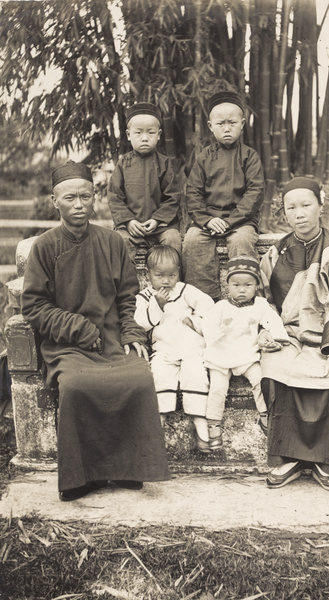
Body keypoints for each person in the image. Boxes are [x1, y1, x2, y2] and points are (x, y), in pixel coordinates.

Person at [21, 161, 170, 501]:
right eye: (70, 198)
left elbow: (127, 297)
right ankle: (81, 477)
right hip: (67, 345)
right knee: (75, 385)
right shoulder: (44, 247)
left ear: (94, 199)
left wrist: (132, 334)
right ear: (55, 200)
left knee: (138, 378)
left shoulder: (112, 242)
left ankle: (128, 469)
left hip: (112, 339)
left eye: (85, 197)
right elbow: (34, 306)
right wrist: (78, 327)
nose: (78, 205)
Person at [259, 177, 329, 491]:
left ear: (321, 206)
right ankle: (292, 458)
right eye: (291, 208)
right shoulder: (276, 252)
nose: (299, 213)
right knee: (275, 367)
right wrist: (266, 331)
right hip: (290, 334)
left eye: (306, 205)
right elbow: (264, 301)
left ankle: (327, 458)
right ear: (284, 213)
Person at [182, 91, 264, 300]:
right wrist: (207, 220)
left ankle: (247, 299)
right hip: (208, 220)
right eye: (220, 123)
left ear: (242, 124)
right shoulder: (204, 158)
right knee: (192, 240)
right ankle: (205, 300)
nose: (227, 128)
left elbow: (255, 192)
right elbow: (193, 192)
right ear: (210, 126)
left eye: (232, 122)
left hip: (241, 221)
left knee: (242, 240)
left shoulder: (249, 156)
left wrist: (231, 221)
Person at [202, 256, 290, 449]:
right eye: (236, 285)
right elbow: (207, 325)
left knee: (260, 380)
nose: (242, 290)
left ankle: (265, 415)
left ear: (256, 285)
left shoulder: (260, 305)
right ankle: (213, 424)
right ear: (227, 285)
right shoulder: (220, 307)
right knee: (217, 388)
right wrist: (218, 332)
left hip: (247, 354)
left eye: (248, 285)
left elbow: (272, 321)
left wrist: (275, 337)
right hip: (221, 354)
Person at [134, 245, 214, 453]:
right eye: (159, 275)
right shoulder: (144, 297)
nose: (167, 281)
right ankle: (157, 428)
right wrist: (157, 305)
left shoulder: (185, 291)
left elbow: (208, 304)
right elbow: (141, 323)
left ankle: (201, 427)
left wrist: (196, 321)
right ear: (148, 274)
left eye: (172, 275)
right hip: (164, 348)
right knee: (158, 375)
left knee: (196, 375)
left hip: (191, 347)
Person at [107, 102, 182, 262]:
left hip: (161, 227)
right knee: (119, 241)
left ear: (159, 134)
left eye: (151, 133)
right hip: (131, 227)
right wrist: (128, 221)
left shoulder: (165, 164)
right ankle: (125, 286)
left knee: (173, 239)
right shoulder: (122, 164)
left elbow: (173, 197)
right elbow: (115, 197)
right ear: (128, 134)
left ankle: (174, 284)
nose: (145, 138)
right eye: (139, 133)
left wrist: (157, 220)